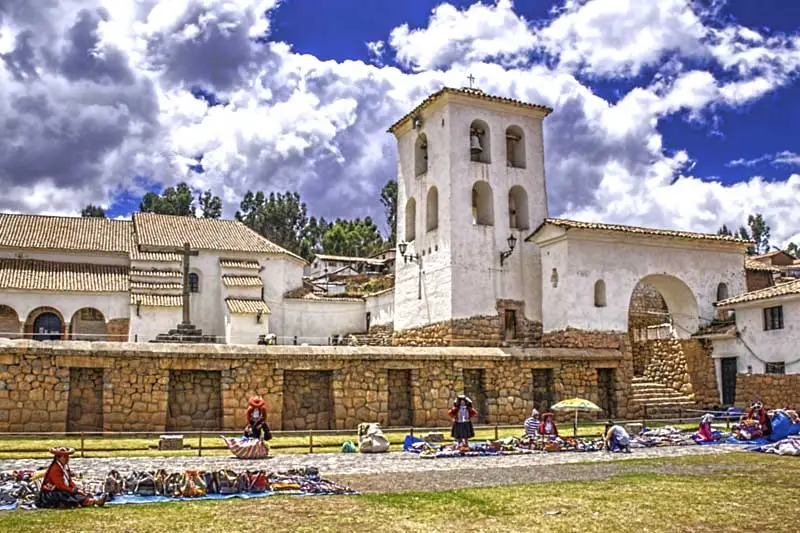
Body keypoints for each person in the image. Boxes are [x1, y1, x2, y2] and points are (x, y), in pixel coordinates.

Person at [37, 447, 107, 508]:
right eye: (64, 457)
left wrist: (76, 488)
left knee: (78, 493)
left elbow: (69, 481)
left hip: (61, 490)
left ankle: (90, 501)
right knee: (68, 495)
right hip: (52, 494)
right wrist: (73, 490)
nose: (67, 459)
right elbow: (60, 485)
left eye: (67, 457)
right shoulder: (55, 469)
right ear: (58, 458)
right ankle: (94, 501)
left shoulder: (64, 468)